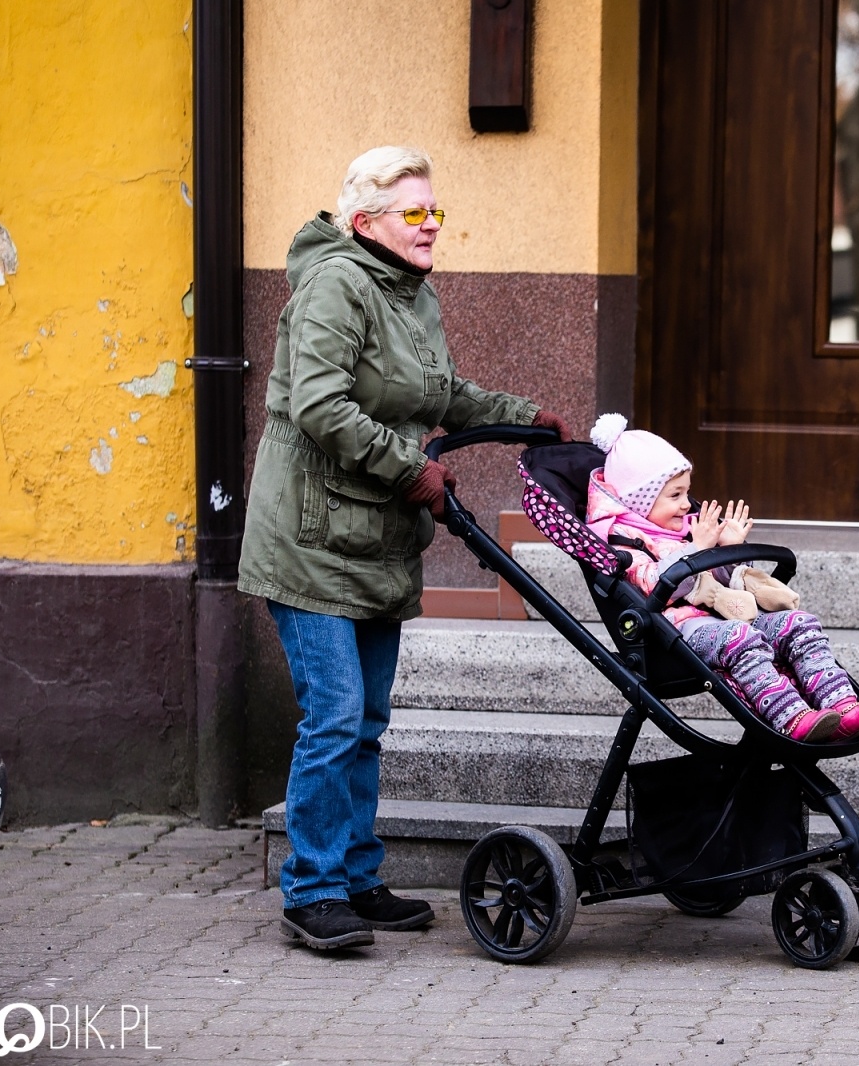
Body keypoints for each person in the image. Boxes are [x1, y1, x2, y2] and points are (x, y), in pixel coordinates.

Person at [237, 146, 572, 951]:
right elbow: (318, 404)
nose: (430, 226)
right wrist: (408, 468)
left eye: (435, 211)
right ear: (365, 223)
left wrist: (527, 416)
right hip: (310, 536)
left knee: (369, 718)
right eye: (413, 213)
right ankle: (311, 890)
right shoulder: (336, 285)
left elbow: (438, 394)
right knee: (336, 713)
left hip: (378, 534)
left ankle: (355, 876)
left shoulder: (411, 294)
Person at [584, 414, 859, 743]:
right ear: (640, 500)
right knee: (739, 637)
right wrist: (696, 550)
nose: (686, 504)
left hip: (730, 618)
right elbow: (653, 587)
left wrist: (729, 550)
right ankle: (792, 718)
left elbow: (723, 583)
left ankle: (843, 707)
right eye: (674, 496)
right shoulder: (624, 541)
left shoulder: (688, 527)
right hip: (680, 633)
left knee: (797, 623)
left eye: (687, 493)